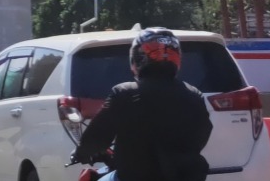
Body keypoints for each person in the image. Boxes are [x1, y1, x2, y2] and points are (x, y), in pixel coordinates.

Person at [73, 27, 213, 181]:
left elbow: (96, 137)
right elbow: (202, 136)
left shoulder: (124, 93)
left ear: (138, 58)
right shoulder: (194, 95)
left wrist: (82, 153)